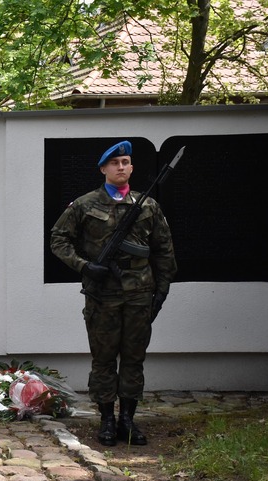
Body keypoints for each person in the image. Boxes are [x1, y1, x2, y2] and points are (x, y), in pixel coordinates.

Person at [50, 140, 177, 447]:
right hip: (102, 294)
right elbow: (59, 240)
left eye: (126, 162)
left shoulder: (147, 205)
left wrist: (161, 291)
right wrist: (84, 266)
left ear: (131, 167)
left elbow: (164, 251)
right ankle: (107, 419)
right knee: (104, 359)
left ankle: (128, 420)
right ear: (104, 169)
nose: (121, 166)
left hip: (139, 293)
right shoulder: (84, 205)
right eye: (115, 162)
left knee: (134, 358)